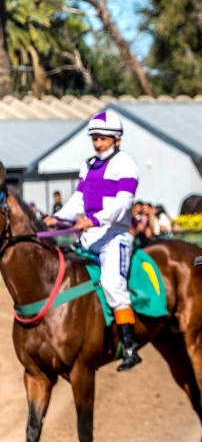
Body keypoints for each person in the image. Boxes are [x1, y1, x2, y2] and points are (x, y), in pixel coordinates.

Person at [44, 109, 141, 371]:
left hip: (115, 237)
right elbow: (78, 200)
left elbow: (124, 204)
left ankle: (130, 348)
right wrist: (58, 218)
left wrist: (94, 220)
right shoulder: (88, 165)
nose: (98, 143)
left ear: (116, 139)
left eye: (103, 138)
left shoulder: (126, 164)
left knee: (111, 283)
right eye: (94, 138)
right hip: (89, 237)